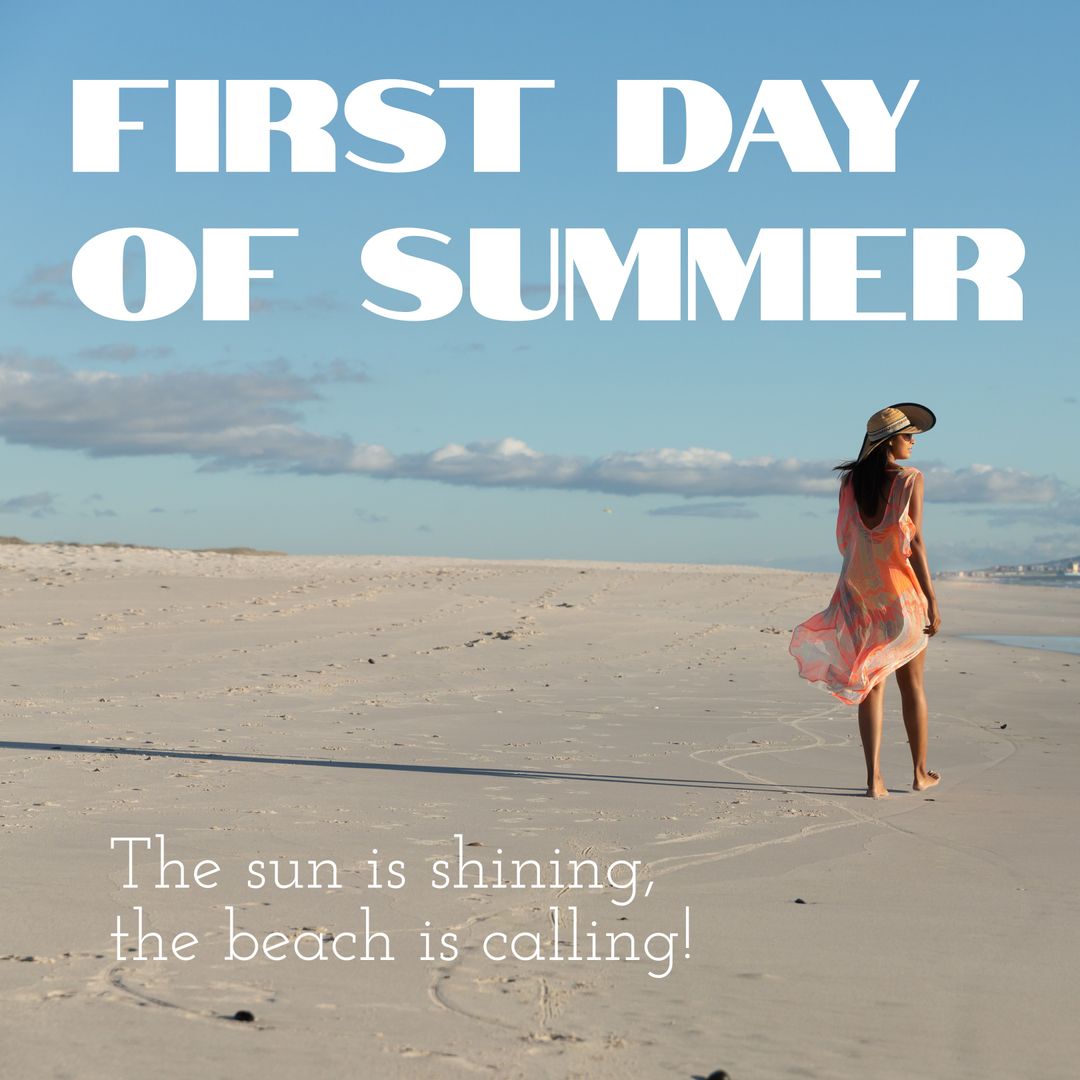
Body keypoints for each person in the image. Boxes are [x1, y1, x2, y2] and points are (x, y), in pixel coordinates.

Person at [789, 404, 942, 799]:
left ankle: (874, 778)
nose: (913, 443)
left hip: (859, 597)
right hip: (901, 597)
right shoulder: (910, 479)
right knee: (913, 686)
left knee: (871, 685)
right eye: (908, 436)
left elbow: (846, 540)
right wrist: (931, 598)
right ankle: (919, 773)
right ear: (889, 440)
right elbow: (915, 542)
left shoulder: (850, 484)